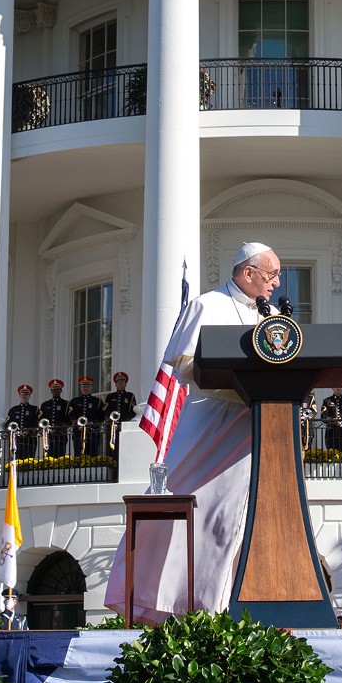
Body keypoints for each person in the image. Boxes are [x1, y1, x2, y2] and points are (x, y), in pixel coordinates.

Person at [103, 242, 288, 622]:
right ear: (248, 272)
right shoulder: (208, 304)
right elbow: (184, 364)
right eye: (271, 275)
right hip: (211, 424)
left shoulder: (267, 316)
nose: (277, 283)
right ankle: (170, 605)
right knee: (193, 516)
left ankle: (225, 609)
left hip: (252, 428)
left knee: (234, 523)